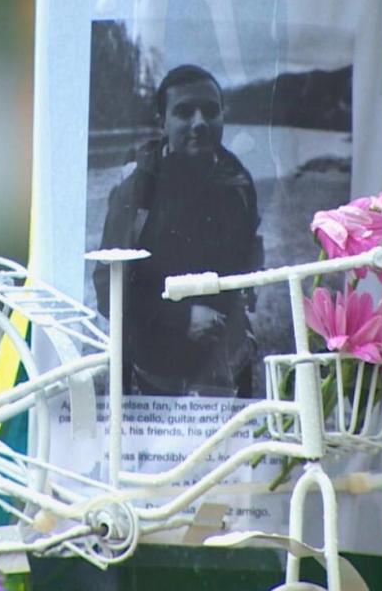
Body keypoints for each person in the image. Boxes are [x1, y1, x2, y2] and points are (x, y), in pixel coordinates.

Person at [93, 64, 263, 397]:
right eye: (184, 112)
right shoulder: (135, 193)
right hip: (159, 375)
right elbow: (106, 289)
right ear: (162, 122)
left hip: (230, 367)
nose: (200, 123)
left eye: (211, 111)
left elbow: (250, 250)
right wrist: (182, 317)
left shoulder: (240, 183)